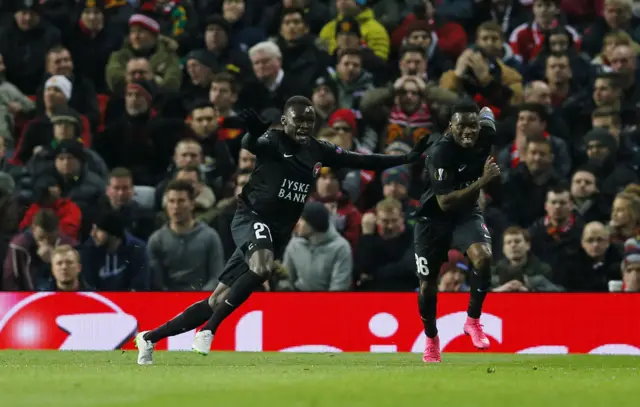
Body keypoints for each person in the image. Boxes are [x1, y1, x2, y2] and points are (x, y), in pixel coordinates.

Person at [134, 96, 429, 364]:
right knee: (261, 268)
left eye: (309, 121)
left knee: (215, 299)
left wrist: (406, 158)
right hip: (251, 216)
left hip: (278, 230)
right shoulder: (274, 140)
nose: (303, 126)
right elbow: (252, 145)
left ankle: (149, 338)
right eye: (297, 120)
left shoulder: (318, 149)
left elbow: (363, 159)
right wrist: (252, 132)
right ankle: (209, 330)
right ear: (285, 121)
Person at [414, 101, 500, 363]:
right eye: (461, 125)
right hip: (433, 219)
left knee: (483, 257)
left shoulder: (487, 132)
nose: (467, 131)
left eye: (472, 125)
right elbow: (445, 202)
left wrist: (486, 110)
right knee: (428, 285)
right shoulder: (440, 152)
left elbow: (488, 111)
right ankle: (431, 339)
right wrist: (483, 181)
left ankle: (473, 321)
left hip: (465, 214)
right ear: (451, 126)